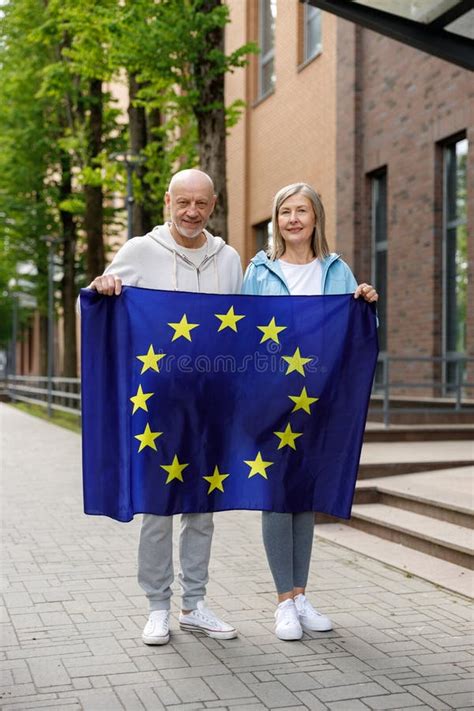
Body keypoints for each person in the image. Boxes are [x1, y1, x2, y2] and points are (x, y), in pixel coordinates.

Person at [88, 168, 242, 645]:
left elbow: (247, 325)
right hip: (156, 404)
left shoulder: (230, 259)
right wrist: (102, 288)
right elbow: (96, 301)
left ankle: (194, 604)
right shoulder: (139, 251)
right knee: (158, 507)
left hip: (211, 401)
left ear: (213, 205)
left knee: (203, 506)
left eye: (201, 203)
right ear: (168, 203)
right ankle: (157, 605)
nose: (192, 212)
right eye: (183, 203)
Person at [242, 182, 378, 641]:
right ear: (276, 221)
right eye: (285, 212)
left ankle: (301, 595)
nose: (293, 219)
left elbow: (355, 337)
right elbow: (242, 339)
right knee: (277, 497)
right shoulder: (258, 272)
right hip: (272, 403)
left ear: (316, 217)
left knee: (305, 497)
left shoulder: (337, 271)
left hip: (321, 403)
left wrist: (365, 307)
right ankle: (282, 602)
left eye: (302, 211)